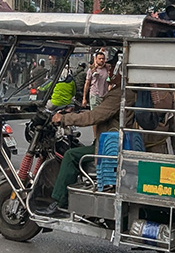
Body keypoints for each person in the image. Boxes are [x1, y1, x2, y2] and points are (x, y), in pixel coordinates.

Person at [38, 69, 130, 216]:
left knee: (70, 155)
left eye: (113, 68)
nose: (111, 72)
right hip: (111, 142)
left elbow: (94, 116)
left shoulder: (120, 94)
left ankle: (60, 204)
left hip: (110, 148)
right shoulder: (124, 91)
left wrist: (64, 119)